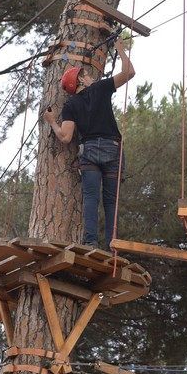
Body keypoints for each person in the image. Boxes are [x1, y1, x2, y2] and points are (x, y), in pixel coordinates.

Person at [43, 37, 135, 249]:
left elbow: (65, 137)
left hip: (90, 151)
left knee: (91, 198)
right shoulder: (101, 88)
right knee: (110, 202)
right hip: (112, 149)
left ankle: (90, 243)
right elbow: (129, 72)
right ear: (80, 81)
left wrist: (52, 122)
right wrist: (120, 50)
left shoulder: (70, 105)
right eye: (86, 74)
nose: (91, 76)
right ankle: (114, 246)